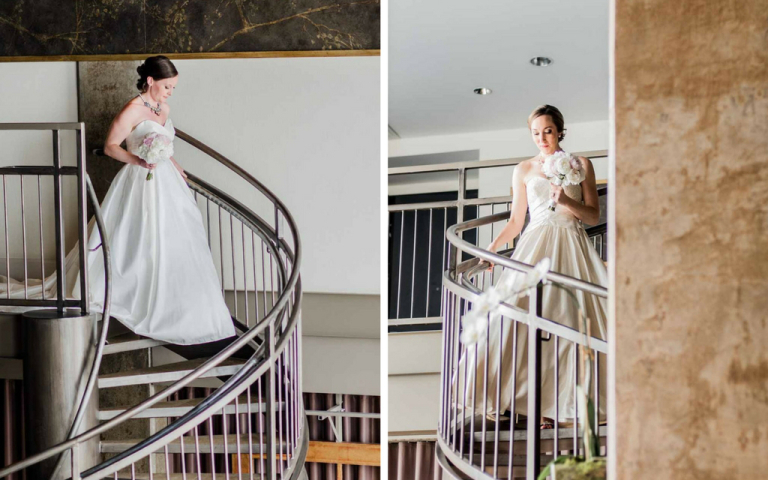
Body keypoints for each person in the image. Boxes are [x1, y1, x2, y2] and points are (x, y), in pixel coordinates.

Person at [0, 56, 236, 345]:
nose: (170, 92)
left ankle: (178, 303)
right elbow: (111, 147)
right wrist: (137, 159)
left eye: (173, 87)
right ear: (150, 81)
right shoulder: (132, 109)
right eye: (167, 86)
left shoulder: (164, 108)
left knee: (174, 238)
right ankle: (135, 296)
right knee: (136, 238)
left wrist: (174, 165)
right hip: (139, 181)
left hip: (166, 183)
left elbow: (164, 144)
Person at [457, 104, 607, 424]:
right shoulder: (523, 169)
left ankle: (558, 405)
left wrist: (566, 201)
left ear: (560, 131)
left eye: (548, 131)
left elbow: (593, 215)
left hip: (571, 244)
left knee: (568, 320)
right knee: (520, 316)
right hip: (535, 243)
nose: (542, 138)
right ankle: (523, 399)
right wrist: (492, 251)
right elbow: (515, 221)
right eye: (536, 133)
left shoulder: (581, 164)